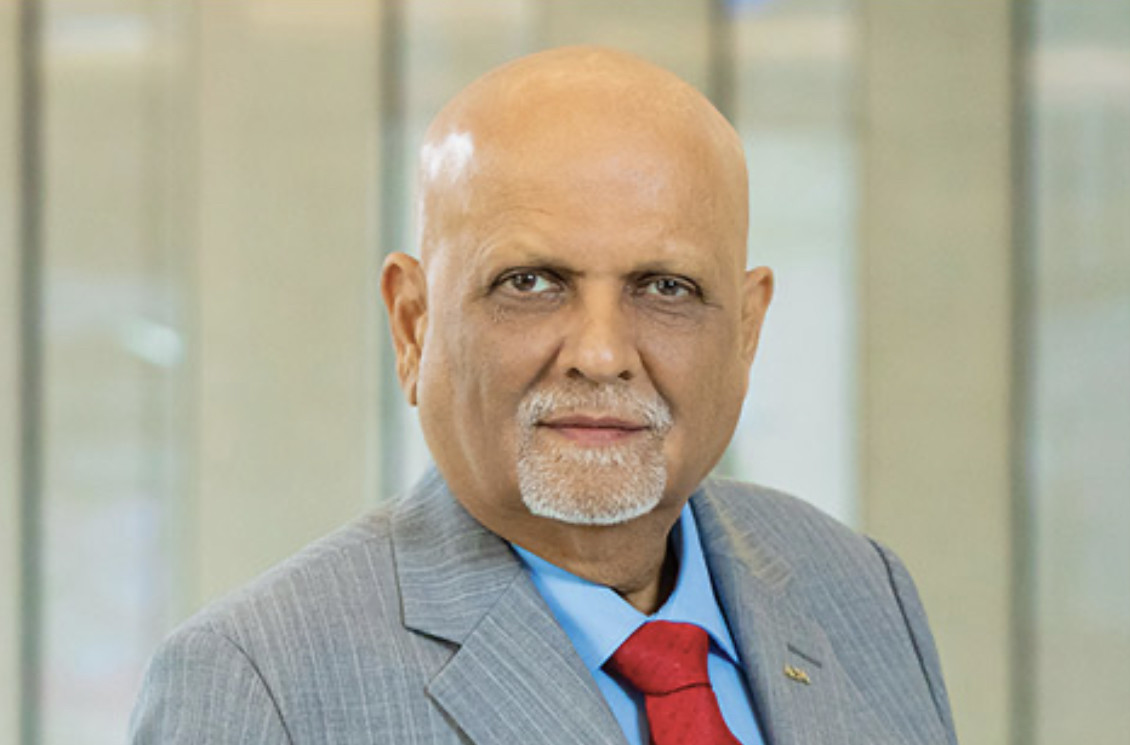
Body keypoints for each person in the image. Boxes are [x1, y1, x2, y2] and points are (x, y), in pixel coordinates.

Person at [130, 46, 957, 745]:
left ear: (746, 331)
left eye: (665, 287)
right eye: (529, 282)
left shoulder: (861, 588)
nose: (600, 355)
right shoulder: (257, 685)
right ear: (413, 324)